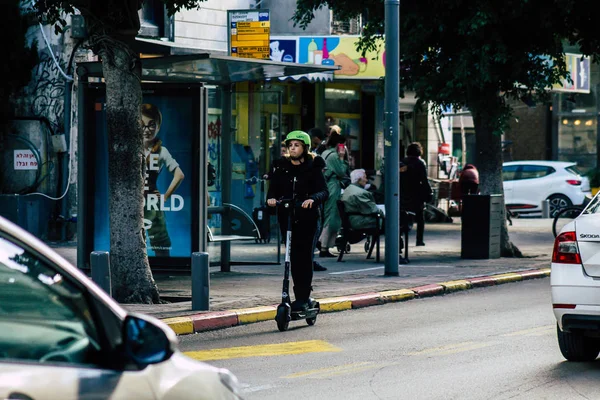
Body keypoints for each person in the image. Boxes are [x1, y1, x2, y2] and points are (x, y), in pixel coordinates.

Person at [267, 131, 329, 312]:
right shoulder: (281, 168)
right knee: (292, 258)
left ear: (305, 148)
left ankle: (303, 297)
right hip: (287, 219)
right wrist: (271, 200)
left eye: (297, 145)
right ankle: (295, 296)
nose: (292, 149)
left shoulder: (313, 167)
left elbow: (324, 191)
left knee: (304, 257)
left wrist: (313, 200)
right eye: (290, 145)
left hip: (308, 219)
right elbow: (273, 192)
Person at [141, 103, 185, 257]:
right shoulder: (132, 149)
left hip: (151, 203)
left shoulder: (161, 151)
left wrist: (165, 197)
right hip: (139, 202)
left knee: (160, 242)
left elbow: (179, 175)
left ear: (158, 127)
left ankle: (163, 270)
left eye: (151, 125)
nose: (147, 130)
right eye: (142, 125)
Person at [318, 132, 350, 257]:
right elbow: (341, 172)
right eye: (343, 145)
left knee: (326, 215)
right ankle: (324, 246)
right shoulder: (334, 156)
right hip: (332, 186)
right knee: (332, 216)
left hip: (324, 186)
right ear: (339, 145)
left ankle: (323, 245)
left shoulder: (325, 153)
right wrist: (342, 158)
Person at [401, 142, 432, 247]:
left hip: (404, 193)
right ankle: (419, 240)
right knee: (420, 218)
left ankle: (400, 238)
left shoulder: (402, 162)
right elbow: (424, 180)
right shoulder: (420, 163)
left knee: (402, 217)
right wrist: (428, 192)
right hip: (417, 194)